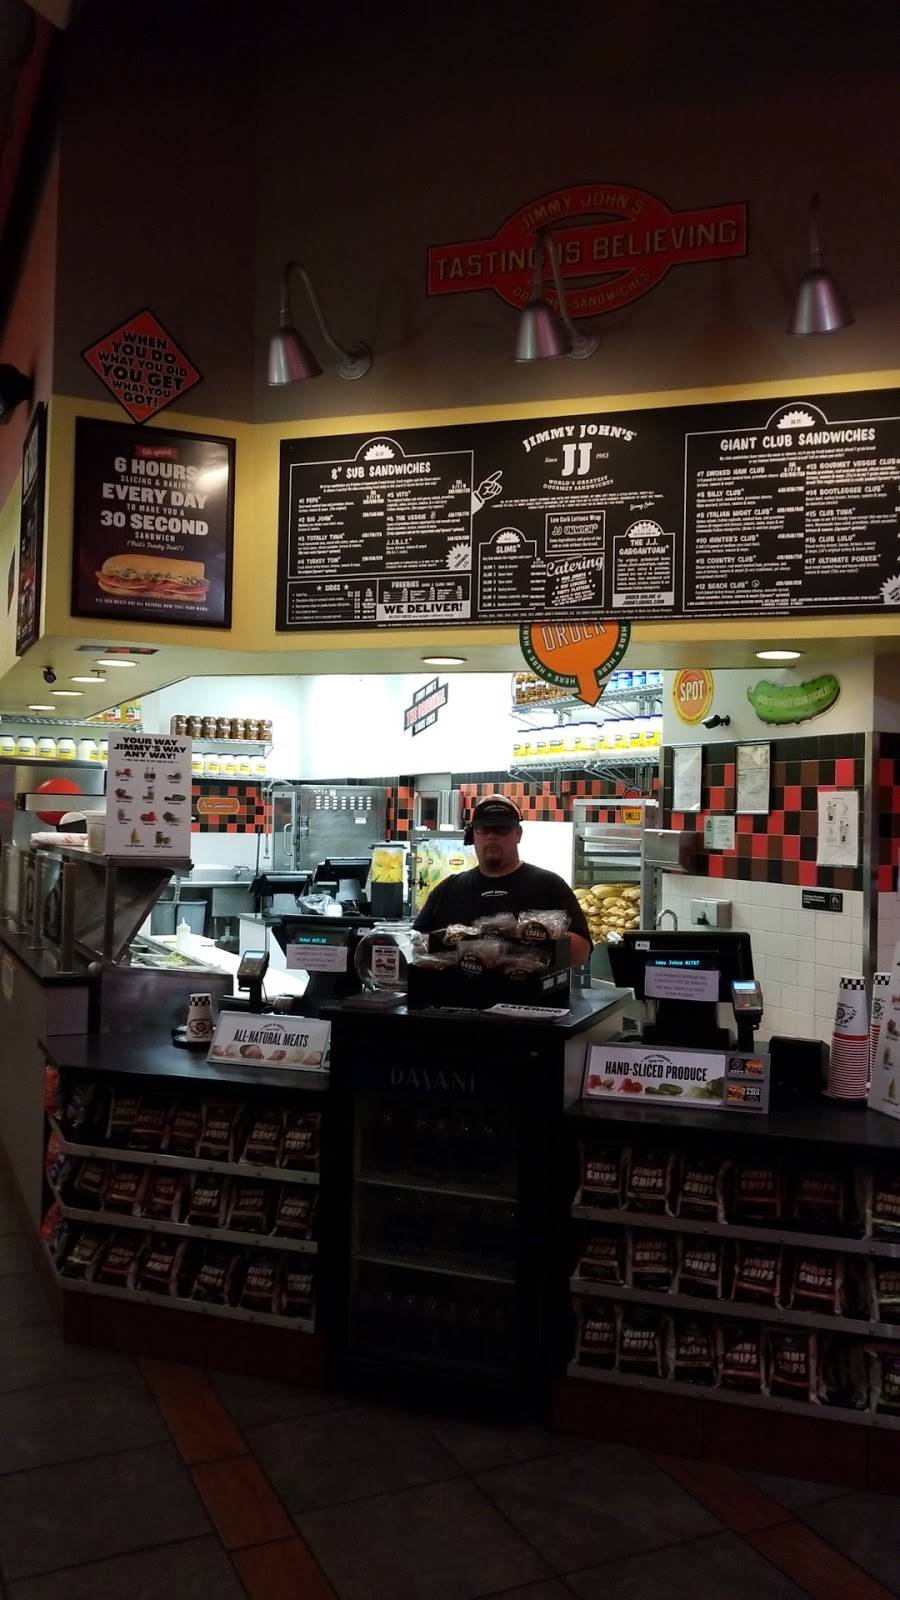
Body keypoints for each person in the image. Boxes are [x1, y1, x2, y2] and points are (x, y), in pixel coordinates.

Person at [413, 794, 592, 966]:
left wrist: (527, 942)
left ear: (518, 834)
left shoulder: (549, 885)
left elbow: (582, 952)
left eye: (501, 828)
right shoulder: (448, 889)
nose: (491, 836)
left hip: (529, 987)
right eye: (484, 828)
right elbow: (415, 945)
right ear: (473, 834)